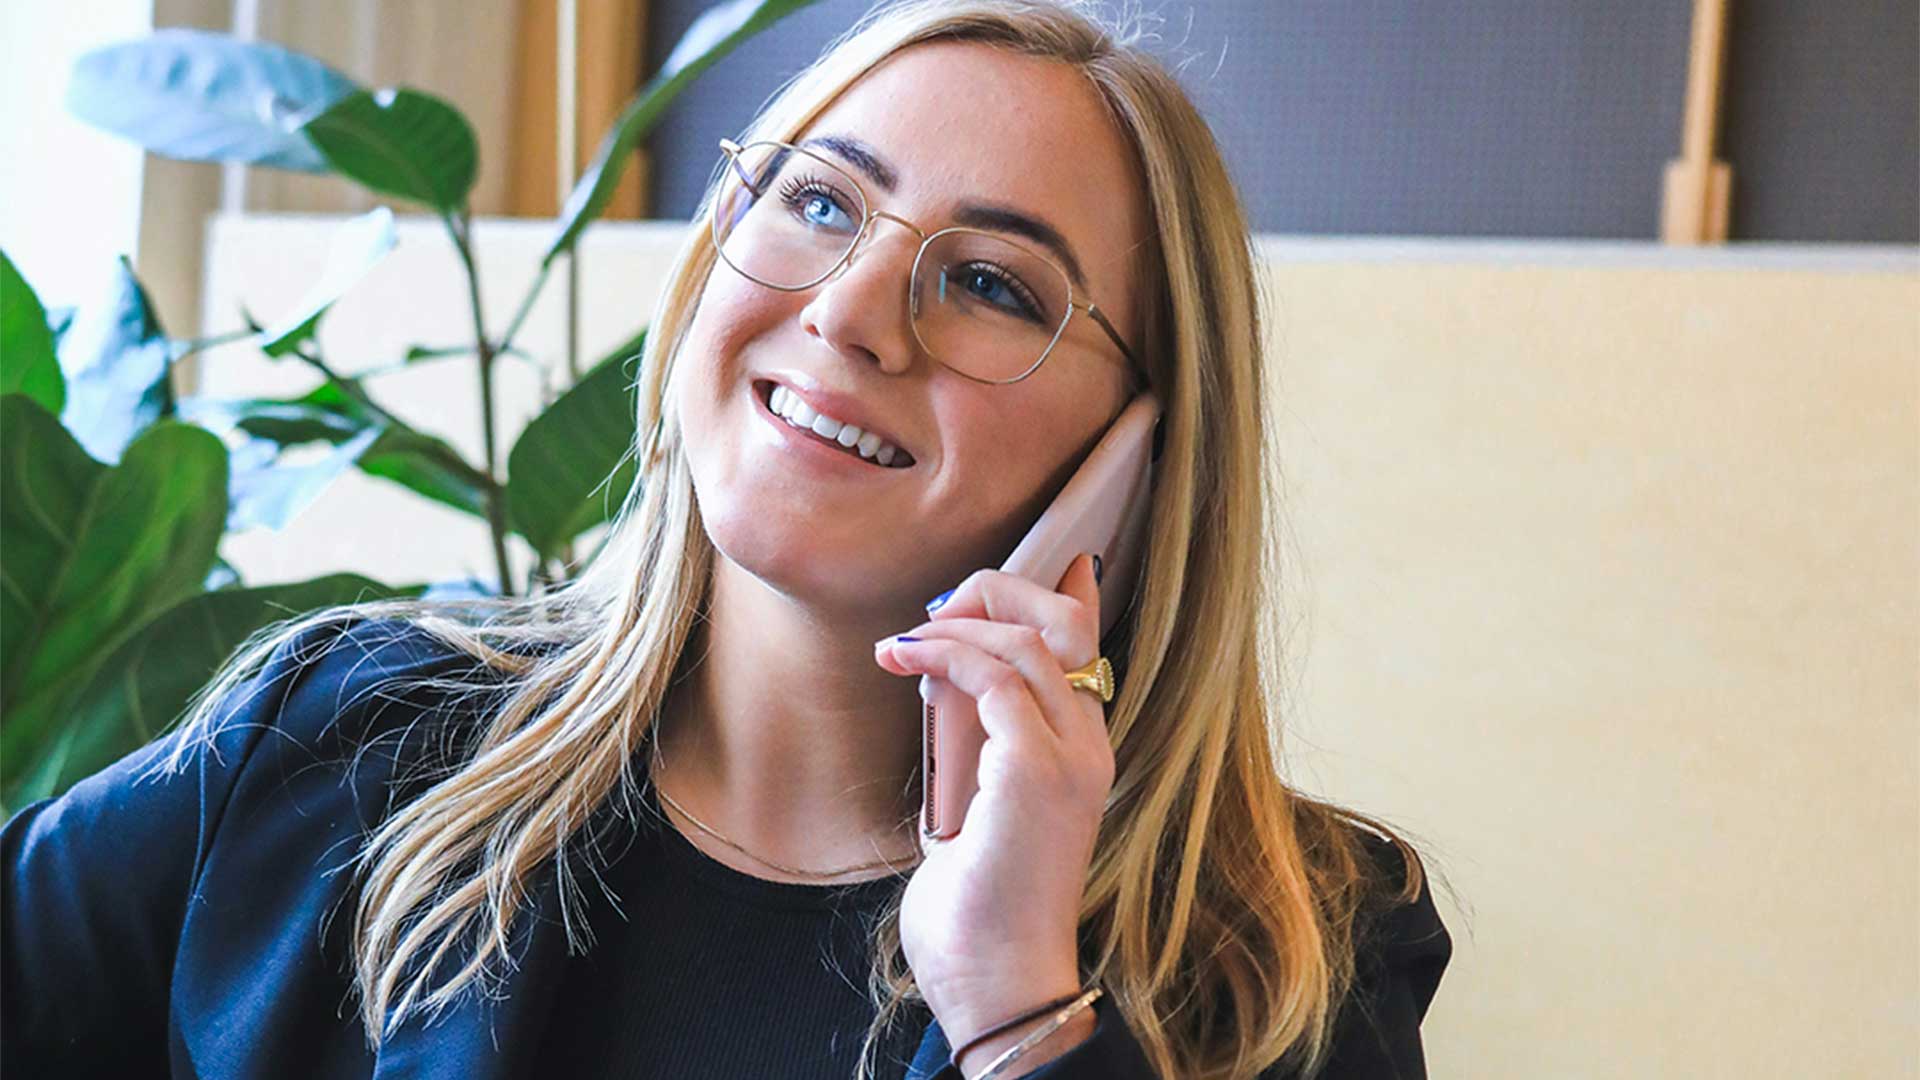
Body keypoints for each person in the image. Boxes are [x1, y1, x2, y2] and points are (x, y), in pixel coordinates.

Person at [1, 1, 1452, 1077]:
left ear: (1140, 451)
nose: (847, 312)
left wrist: (1016, 999)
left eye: (995, 286)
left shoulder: (1295, 952)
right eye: (821, 201)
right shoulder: (333, 747)